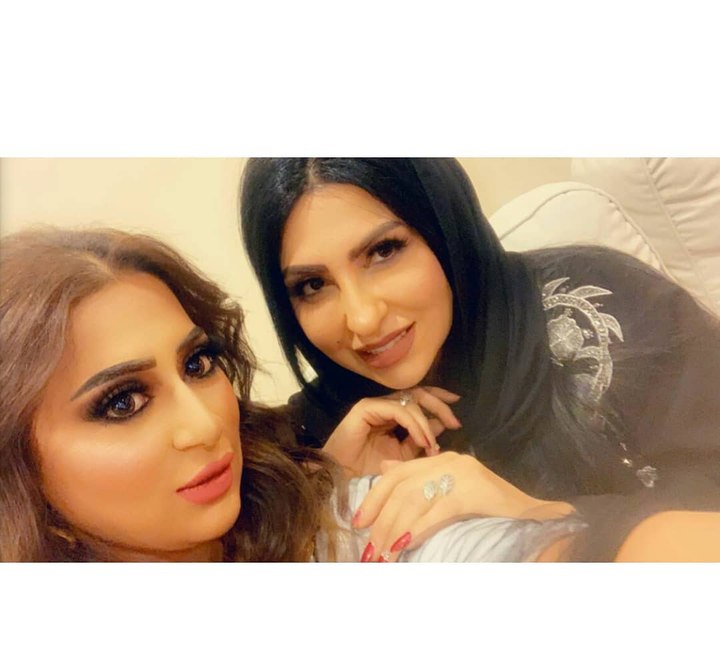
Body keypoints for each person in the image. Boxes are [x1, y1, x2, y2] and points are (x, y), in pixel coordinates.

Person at [1, 226, 592, 562]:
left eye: (198, 364)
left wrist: (552, 522)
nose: (204, 425)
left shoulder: (345, 524)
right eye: (122, 402)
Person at [239, 158, 720, 561]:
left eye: (384, 251)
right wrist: (325, 500)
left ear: (446, 228)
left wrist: (539, 516)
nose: (362, 318)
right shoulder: (315, 438)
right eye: (313, 285)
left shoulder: (606, 309)